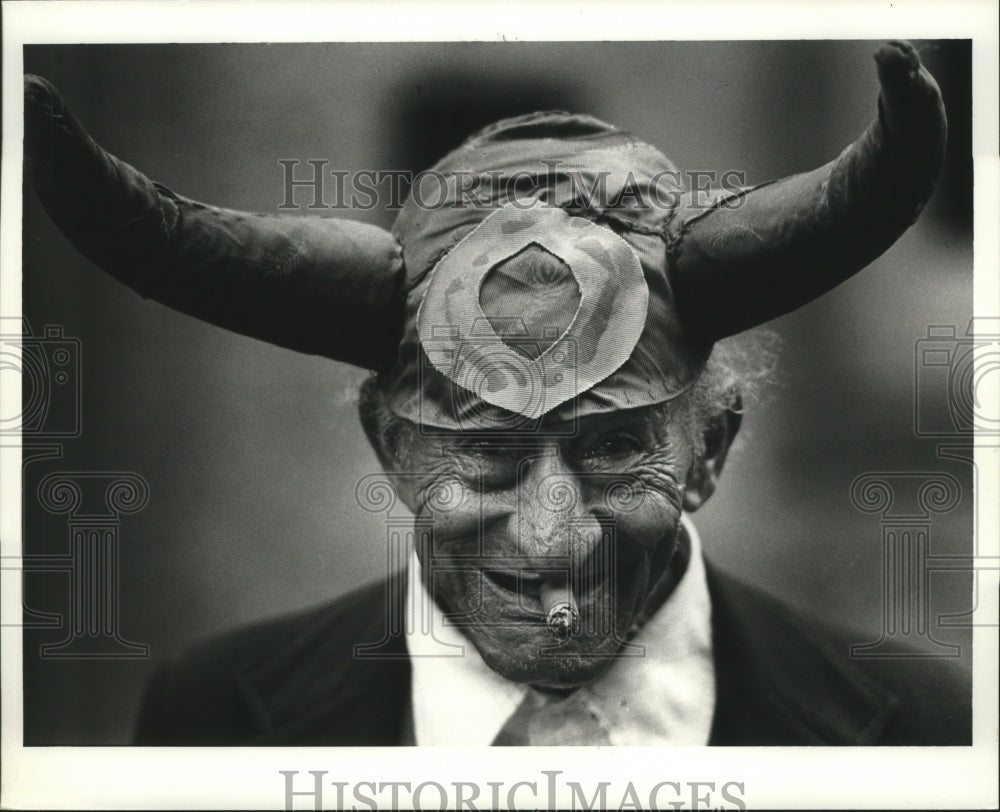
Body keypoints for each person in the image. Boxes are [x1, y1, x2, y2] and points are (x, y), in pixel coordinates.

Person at [23, 40, 969, 746]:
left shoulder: (925, 733)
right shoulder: (213, 714)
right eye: (486, 459)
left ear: (711, 445)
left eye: (611, 452)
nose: (552, 534)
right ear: (391, 450)